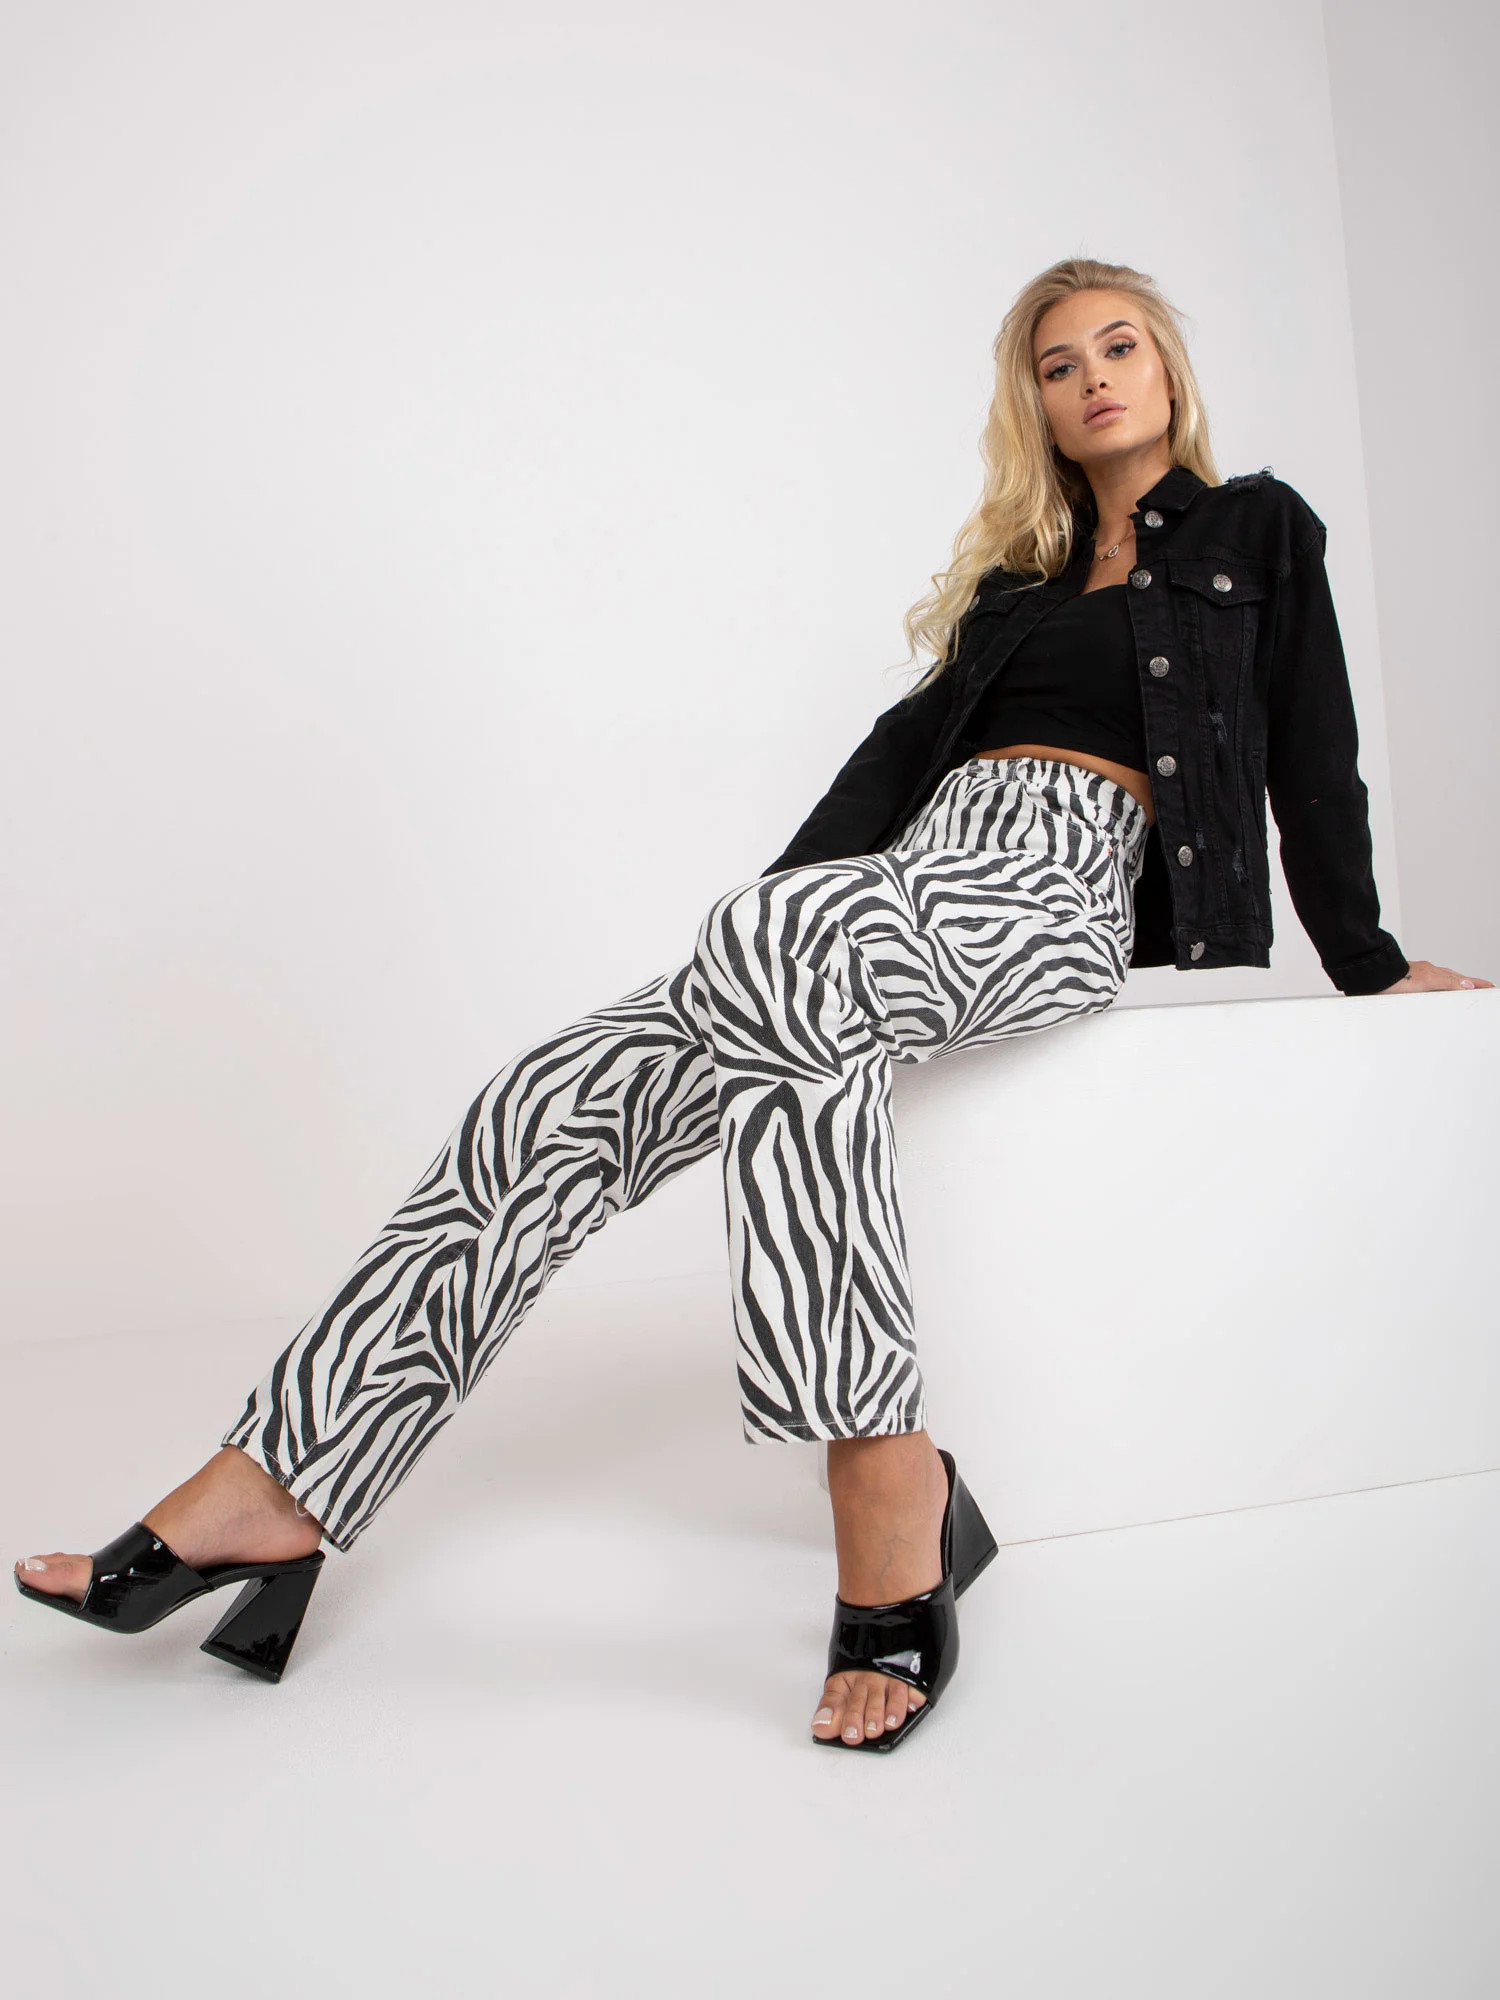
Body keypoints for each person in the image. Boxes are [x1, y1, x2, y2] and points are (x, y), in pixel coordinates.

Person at [15, 256, 1491, 1755]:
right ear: (1034, 406)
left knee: (777, 941)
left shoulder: (1257, 530)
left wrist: (1367, 960)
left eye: (1120, 347)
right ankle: (279, 1485)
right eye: (1060, 364)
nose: (1095, 377)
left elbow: (1315, 747)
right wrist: (759, 940)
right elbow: (886, 768)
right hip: (904, 882)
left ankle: (885, 1480)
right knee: (545, 1100)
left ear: (1167, 367)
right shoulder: (1016, 590)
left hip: (1058, 887)